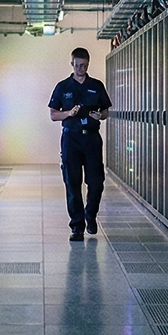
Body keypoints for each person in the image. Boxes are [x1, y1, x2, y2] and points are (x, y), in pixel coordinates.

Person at [48, 47, 112, 241]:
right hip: (71, 138)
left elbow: (106, 110)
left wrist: (99, 115)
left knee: (96, 182)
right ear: (72, 64)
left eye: (83, 65)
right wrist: (69, 113)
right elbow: (53, 114)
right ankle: (77, 226)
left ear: (88, 64)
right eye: (77, 65)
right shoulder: (63, 87)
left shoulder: (96, 85)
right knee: (72, 182)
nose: (80, 68)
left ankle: (90, 214)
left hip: (91, 138)